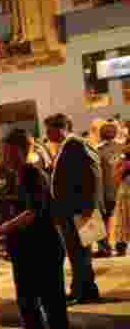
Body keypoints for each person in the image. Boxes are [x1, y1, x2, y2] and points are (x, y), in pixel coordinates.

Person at [0, 128, 75, 329]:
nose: (3, 156)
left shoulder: (29, 173)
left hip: (40, 250)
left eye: (6, 150)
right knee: (37, 305)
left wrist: (4, 227)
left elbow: (33, 211)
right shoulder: (22, 175)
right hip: (32, 251)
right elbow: (23, 204)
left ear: (17, 150)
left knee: (46, 304)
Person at [46, 113, 102, 304]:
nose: (46, 133)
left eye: (49, 128)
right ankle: (84, 289)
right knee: (78, 253)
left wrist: (89, 206)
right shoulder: (67, 146)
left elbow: (92, 173)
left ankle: (83, 290)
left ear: (60, 128)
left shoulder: (76, 144)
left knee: (80, 253)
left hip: (80, 209)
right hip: (73, 210)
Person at [95, 120, 120, 257]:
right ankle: (120, 245)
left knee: (104, 220)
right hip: (120, 189)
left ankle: (105, 248)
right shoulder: (122, 147)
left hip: (106, 191)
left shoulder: (98, 151)